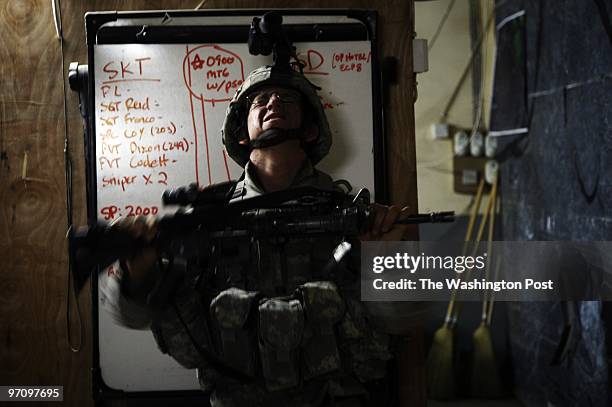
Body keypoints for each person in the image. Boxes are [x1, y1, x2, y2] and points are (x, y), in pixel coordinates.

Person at [100, 64, 411, 407]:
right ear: (242, 135)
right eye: (259, 100)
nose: (273, 102)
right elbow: (132, 317)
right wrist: (137, 272)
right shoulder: (206, 220)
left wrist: (387, 259)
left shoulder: (354, 216)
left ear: (309, 130)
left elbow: (404, 321)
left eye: (287, 99)